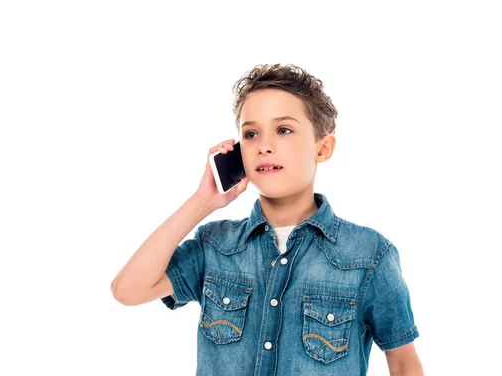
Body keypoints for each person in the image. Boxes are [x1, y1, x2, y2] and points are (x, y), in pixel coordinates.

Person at [111, 64, 423, 375]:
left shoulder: (368, 255)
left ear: (323, 148)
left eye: (284, 129)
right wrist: (203, 202)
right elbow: (128, 290)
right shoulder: (216, 247)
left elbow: (404, 364)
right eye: (250, 134)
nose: (264, 146)